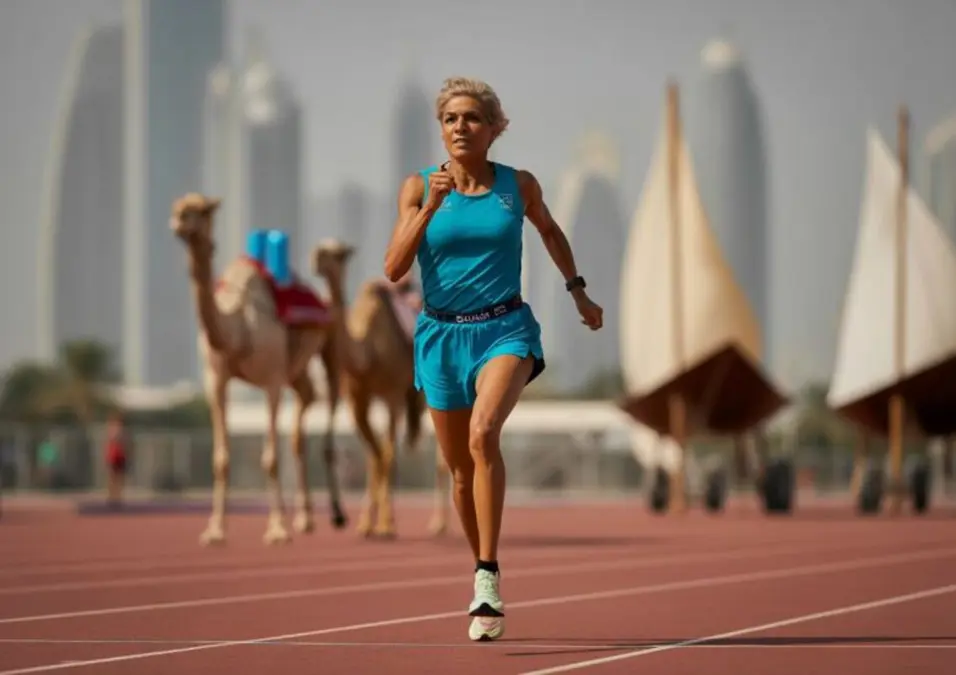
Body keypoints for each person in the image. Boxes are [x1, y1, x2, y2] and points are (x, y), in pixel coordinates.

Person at [383, 76, 603, 642]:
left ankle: (487, 575)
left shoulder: (517, 186)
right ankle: (479, 563)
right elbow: (393, 268)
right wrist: (428, 207)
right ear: (442, 129)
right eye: (451, 119)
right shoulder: (418, 187)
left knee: (484, 435)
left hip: (505, 328)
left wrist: (577, 290)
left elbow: (550, 231)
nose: (461, 127)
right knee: (460, 472)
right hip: (440, 337)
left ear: (493, 129)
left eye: (472, 118)